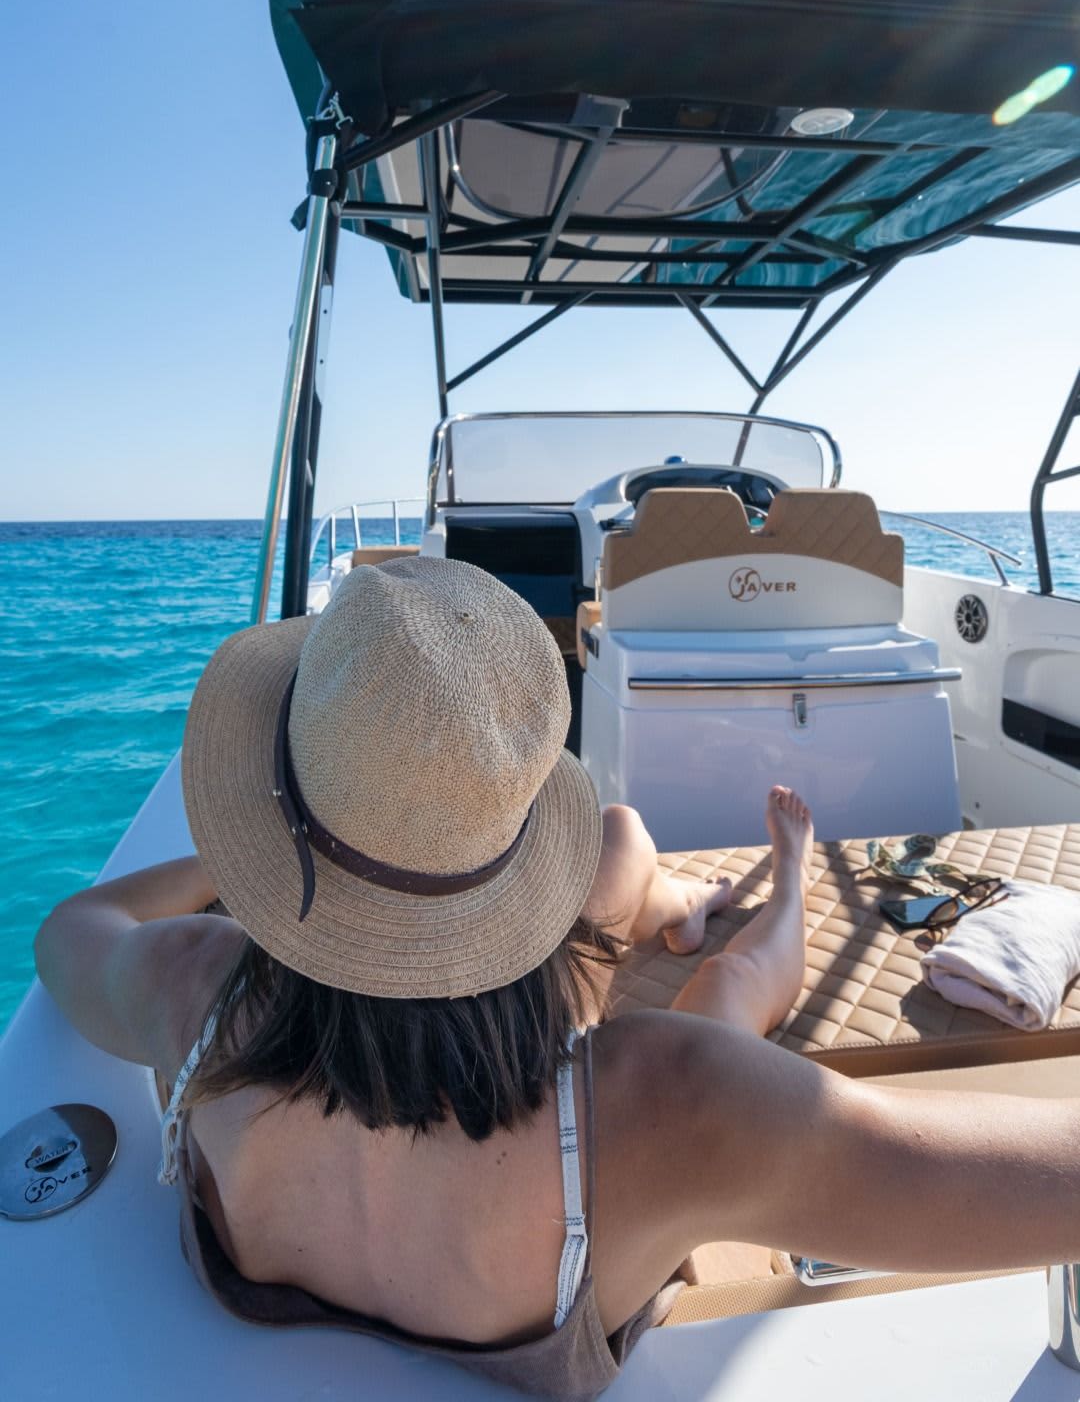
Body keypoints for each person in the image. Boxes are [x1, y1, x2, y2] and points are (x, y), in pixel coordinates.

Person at [33, 558, 1080, 1398]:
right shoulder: (672, 1101)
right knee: (713, 978)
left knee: (628, 876)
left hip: (381, 934)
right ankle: (781, 877)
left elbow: (75, 926)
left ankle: (682, 897)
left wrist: (271, 850)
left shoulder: (193, 990)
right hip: (577, 1066)